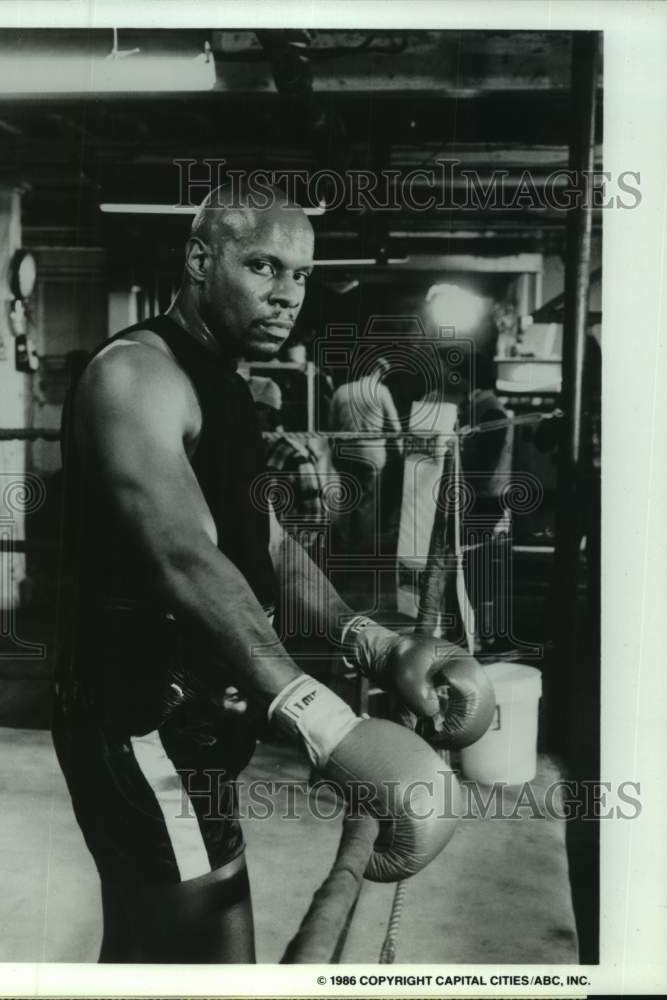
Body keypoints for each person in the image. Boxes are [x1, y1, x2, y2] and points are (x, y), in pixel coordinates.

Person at [53, 183, 494, 964]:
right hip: (140, 721)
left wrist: (373, 644)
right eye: (263, 266)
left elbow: (268, 546)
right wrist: (326, 722)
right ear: (198, 259)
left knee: (149, 949)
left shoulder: (224, 382)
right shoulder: (136, 375)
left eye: (300, 274)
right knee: (212, 956)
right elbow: (183, 558)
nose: (286, 294)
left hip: (196, 721)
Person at [328, 357, 403, 552]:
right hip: (371, 453)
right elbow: (394, 427)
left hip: (343, 452)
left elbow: (331, 426)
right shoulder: (380, 391)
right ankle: (361, 549)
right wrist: (401, 451)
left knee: (347, 498)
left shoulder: (341, 391)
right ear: (379, 371)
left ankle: (343, 546)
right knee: (367, 502)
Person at [247, 375, 326, 526]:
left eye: (249, 409)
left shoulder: (296, 457)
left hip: (285, 545)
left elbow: (315, 517)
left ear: (267, 411)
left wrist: (291, 547)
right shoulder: (249, 452)